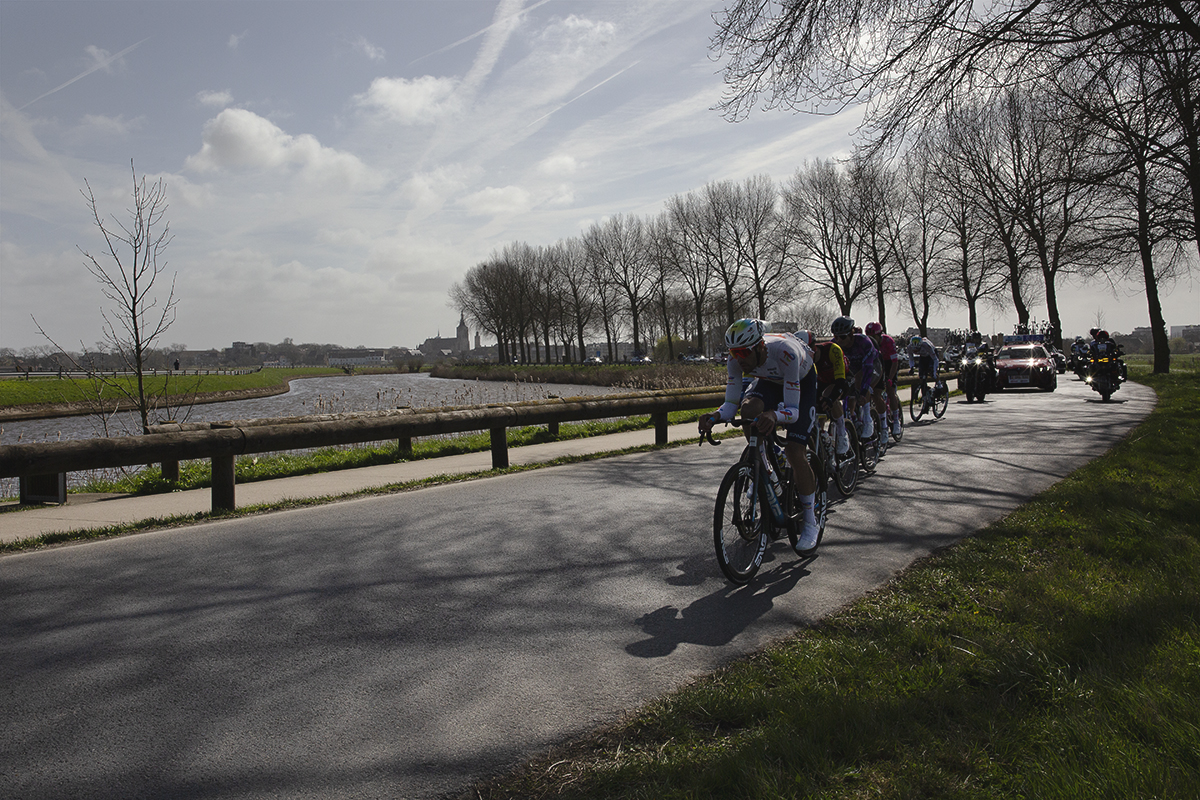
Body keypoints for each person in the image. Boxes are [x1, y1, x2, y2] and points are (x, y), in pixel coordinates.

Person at [698, 319, 821, 553]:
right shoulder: (736, 360)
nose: (739, 358)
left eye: (744, 352)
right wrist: (714, 416)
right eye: (734, 352)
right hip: (770, 381)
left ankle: (810, 521)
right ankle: (763, 465)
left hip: (801, 381)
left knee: (795, 453)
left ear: (760, 346)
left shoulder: (786, 353)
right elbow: (731, 404)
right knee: (749, 409)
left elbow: (793, 412)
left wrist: (775, 415)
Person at [797, 330, 851, 455]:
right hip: (822, 381)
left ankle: (842, 434)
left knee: (828, 396)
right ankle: (822, 440)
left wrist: (831, 399)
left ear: (814, 347)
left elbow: (840, 382)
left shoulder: (832, 350)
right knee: (817, 408)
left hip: (842, 379)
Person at [829, 316, 879, 439]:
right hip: (852, 368)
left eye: (843, 337)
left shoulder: (863, 342)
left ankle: (868, 419)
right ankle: (852, 416)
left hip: (872, 365)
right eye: (836, 337)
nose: (839, 340)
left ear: (851, 334)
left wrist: (863, 391)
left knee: (861, 382)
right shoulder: (834, 345)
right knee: (848, 391)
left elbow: (868, 369)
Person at [865, 321, 902, 437]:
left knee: (890, 390)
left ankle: (896, 421)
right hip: (877, 363)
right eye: (869, 337)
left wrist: (890, 379)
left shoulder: (888, 342)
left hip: (889, 363)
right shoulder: (868, 344)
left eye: (873, 337)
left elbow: (895, 363)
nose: (871, 339)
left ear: (879, 335)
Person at [907, 334, 940, 402]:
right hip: (923, 357)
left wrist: (934, 371)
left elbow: (935, 359)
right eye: (915, 350)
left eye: (917, 349)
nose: (916, 351)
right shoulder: (909, 347)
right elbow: (911, 359)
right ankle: (925, 395)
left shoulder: (926, 345)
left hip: (932, 356)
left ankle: (939, 385)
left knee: (932, 373)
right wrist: (911, 368)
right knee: (921, 377)